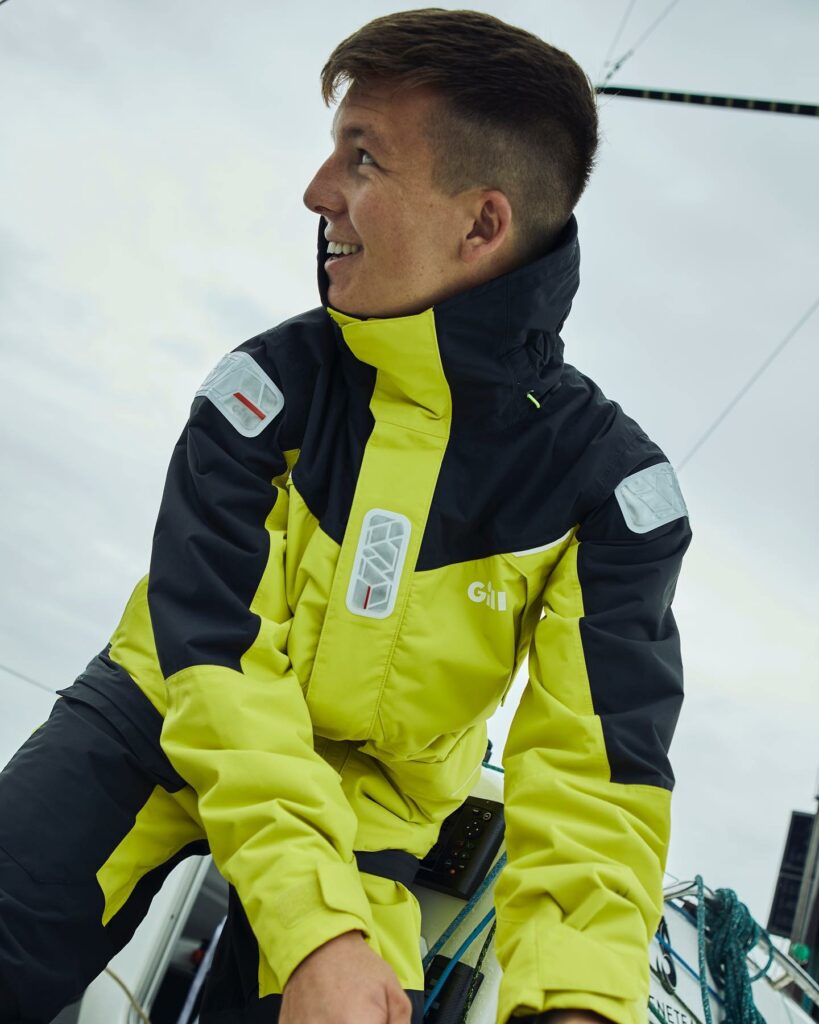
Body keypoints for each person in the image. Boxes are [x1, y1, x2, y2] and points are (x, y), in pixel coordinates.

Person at [0, 8, 692, 1024]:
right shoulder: (261, 393)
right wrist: (313, 926)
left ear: (482, 223)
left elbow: (594, 783)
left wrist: (580, 1004)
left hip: (375, 809)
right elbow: (213, 659)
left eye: (360, 159)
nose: (317, 192)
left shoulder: (611, 495)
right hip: (166, 721)